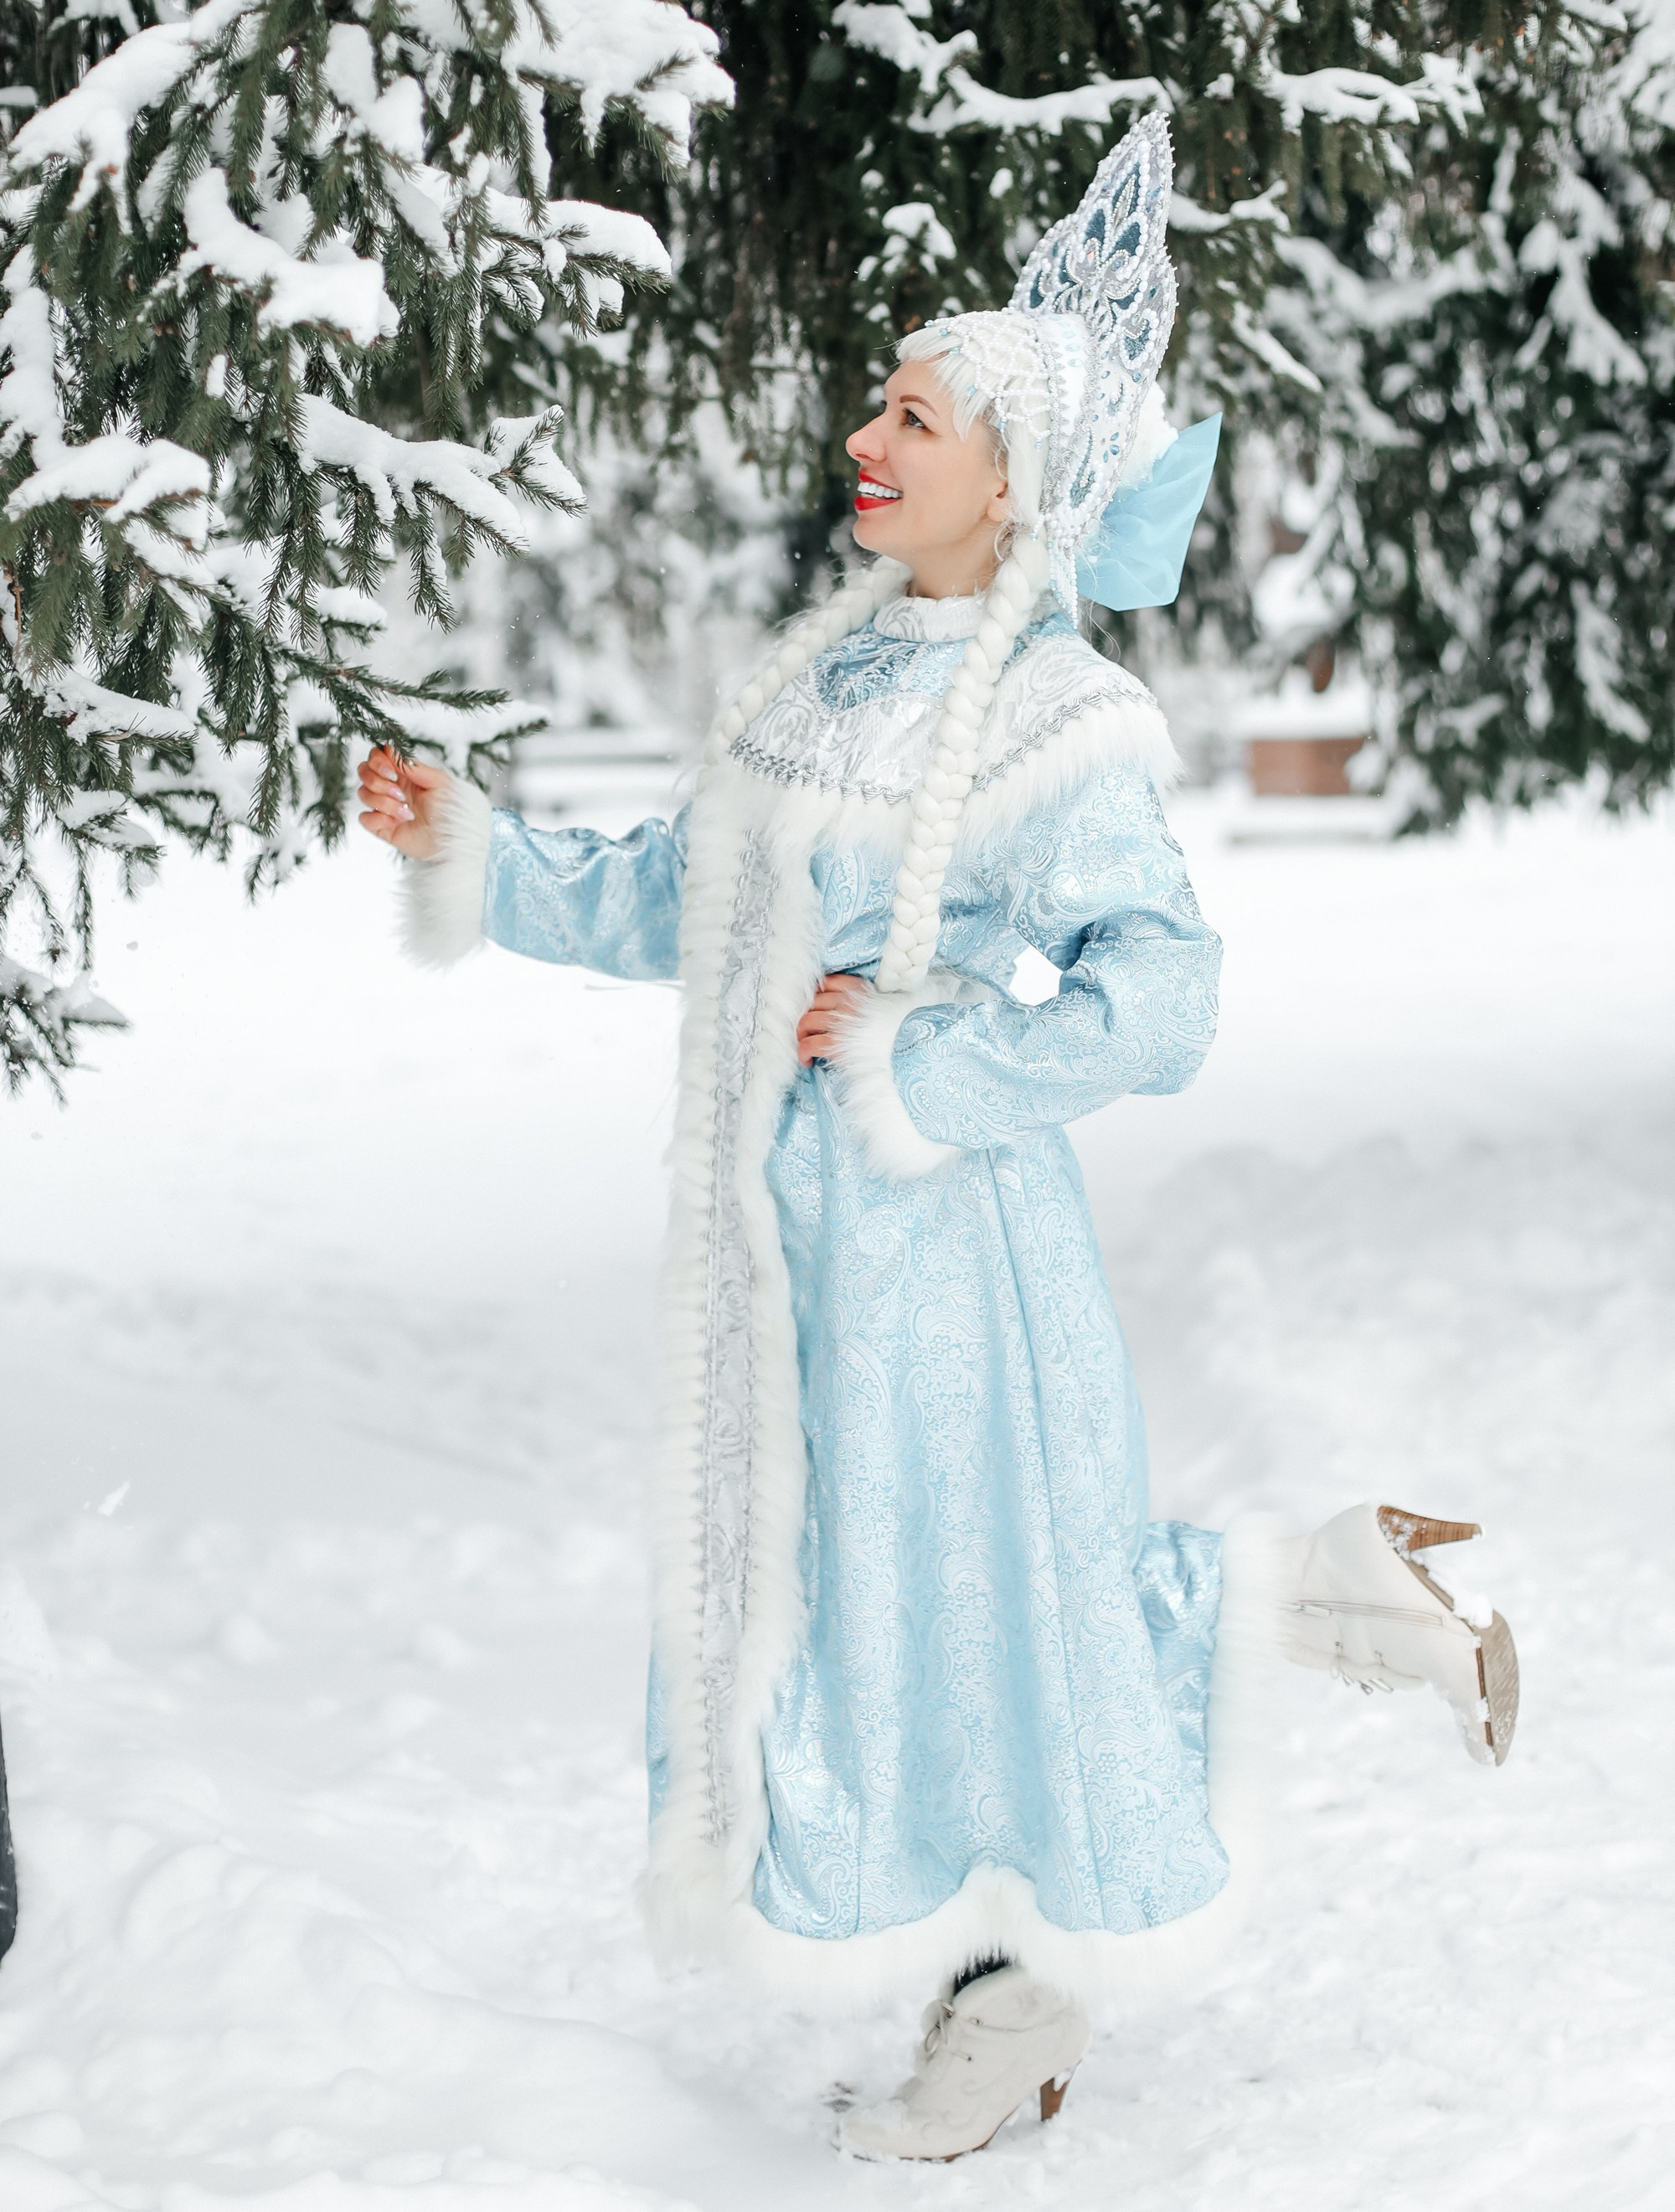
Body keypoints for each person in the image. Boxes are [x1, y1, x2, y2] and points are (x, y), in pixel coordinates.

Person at [357, 116, 1519, 2163]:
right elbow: (683, 909)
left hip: (952, 1265)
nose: (866, 440)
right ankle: (1335, 1600)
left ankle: (1013, 1992)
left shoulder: (1054, 720)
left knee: (968, 1623)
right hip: (793, 1267)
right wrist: (479, 849)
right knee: (896, 1616)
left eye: (916, 413)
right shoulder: (836, 679)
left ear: (1014, 478)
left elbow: (1161, 997)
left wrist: (930, 1052)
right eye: (877, 402)